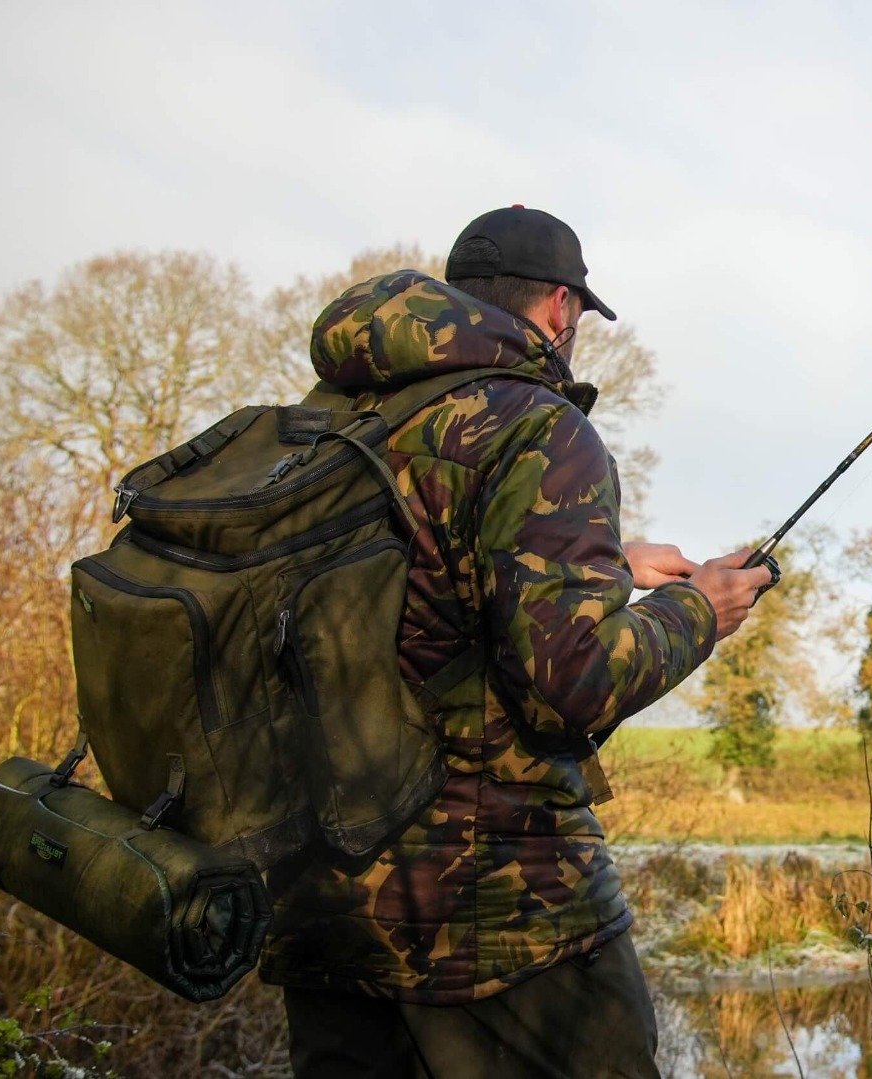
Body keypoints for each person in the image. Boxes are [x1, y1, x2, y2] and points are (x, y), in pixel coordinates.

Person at [260, 206, 772, 1078]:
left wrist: (606, 562)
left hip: (322, 905)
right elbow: (568, 684)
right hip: (496, 909)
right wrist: (702, 610)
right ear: (561, 309)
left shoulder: (334, 422)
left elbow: (421, 598)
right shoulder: (541, 427)